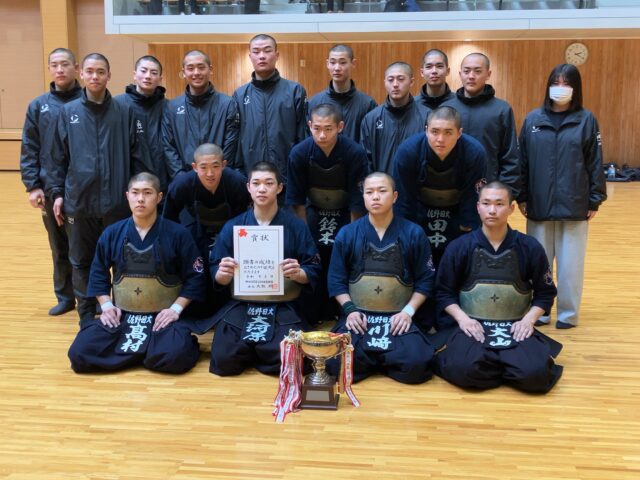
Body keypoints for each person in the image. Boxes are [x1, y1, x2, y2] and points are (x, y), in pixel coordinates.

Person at [68, 173, 206, 373]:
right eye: (135, 193)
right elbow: (98, 273)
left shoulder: (178, 234)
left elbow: (196, 277)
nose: (140, 199)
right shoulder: (112, 233)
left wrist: (175, 310)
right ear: (127, 196)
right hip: (123, 316)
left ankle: (130, 354)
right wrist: (106, 306)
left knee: (175, 356)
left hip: (162, 317)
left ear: (159, 197)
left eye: (147, 193)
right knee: (79, 353)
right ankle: (146, 353)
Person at [435, 182, 563, 393]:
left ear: (511, 208)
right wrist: (463, 320)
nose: (492, 210)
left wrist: (528, 321)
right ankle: (505, 367)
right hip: (473, 324)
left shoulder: (530, 246)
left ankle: (499, 366)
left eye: (499, 204)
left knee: (535, 375)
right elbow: (443, 293)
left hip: (514, 325)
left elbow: (546, 293)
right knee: (463, 370)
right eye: (486, 203)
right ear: (478, 207)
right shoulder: (459, 247)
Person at [48, 53, 146, 325]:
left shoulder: (125, 112)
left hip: (117, 204)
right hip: (79, 203)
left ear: (108, 75)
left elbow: (138, 157)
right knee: (82, 261)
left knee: (121, 261)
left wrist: (138, 195)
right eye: (90, 71)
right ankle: (87, 317)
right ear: (81, 73)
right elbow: (56, 158)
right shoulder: (67, 112)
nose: (95, 76)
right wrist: (57, 194)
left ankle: (121, 313)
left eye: (100, 71)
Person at [204, 162, 321, 376]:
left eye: (269, 183)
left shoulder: (295, 226)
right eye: (256, 183)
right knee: (223, 359)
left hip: (283, 303)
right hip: (243, 303)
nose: (262, 189)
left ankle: (257, 353)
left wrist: (299, 273)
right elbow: (215, 269)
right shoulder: (234, 226)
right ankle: (255, 352)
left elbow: (313, 267)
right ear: (248, 187)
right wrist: (221, 275)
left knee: (290, 359)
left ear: (279, 188)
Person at [518, 64, 606, 329]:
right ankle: (541, 312)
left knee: (571, 266)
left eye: (566, 83)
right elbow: (522, 162)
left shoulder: (586, 120)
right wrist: (521, 196)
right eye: (556, 82)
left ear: (575, 88)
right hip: (539, 203)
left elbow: (594, 161)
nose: (560, 88)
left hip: (574, 203)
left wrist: (595, 198)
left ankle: (568, 314)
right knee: (538, 264)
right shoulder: (533, 120)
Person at [327, 172, 435, 384]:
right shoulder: (347, 233)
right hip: (359, 316)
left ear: (394, 196)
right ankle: (384, 361)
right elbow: (335, 279)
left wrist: (408, 312)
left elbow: (426, 280)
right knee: (334, 363)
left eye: (382, 191)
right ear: (363, 197)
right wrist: (350, 311)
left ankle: (375, 361)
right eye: (369, 192)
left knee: (418, 363)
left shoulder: (414, 233)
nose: (375, 196)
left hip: (398, 317)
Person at [286, 103, 368, 321]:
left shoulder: (354, 152)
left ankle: (343, 311)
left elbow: (357, 199)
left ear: (340, 127)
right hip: (313, 211)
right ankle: (315, 312)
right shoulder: (299, 153)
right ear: (309, 126)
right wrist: (304, 235)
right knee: (313, 259)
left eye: (328, 129)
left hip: (345, 213)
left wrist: (352, 234)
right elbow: (296, 199)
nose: (322, 135)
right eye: (317, 128)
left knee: (342, 256)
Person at [20, 48, 81, 316]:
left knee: (85, 246)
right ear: (49, 69)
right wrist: (33, 185)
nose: (60, 69)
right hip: (48, 186)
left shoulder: (89, 100)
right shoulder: (38, 106)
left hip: (81, 188)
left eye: (65, 64)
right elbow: (29, 147)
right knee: (59, 246)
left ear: (76, 68)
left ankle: (91, 297)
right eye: (54, 65)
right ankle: (65, 297)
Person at [163, 143, 251, 314]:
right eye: (203, 167)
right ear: (195, 167)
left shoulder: (237, 182)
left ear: (224, 165)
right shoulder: (182, 183)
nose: (210, 174)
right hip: (196, 228)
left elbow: (248, 217)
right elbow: (169, 219)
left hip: (231, 230)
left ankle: (232, 309)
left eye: (215, 167)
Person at [393, 106, 486, 265]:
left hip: (457, 208)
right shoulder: (408, 151)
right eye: (435, 132)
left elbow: (472, 196)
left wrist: (467, 230)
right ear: (426, 130)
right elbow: (404, 198)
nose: (440, 139)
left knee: (459, 259)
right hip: (420, 208)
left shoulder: (474, 152)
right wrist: (407, 231)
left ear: (459, 133)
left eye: (448, 132)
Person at [442, 53, 519, 196]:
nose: (471, 76)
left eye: (477, 71)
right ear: (460, 74)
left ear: (488, 74)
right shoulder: (446, 109)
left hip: (489, 193)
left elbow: (510, 156)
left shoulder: (502, 110)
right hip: (450, 191)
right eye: (466, 71)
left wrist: (506, 193)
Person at [233, 34, 307, 183]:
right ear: (250, 56)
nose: (262, 56)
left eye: (267, 51)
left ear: (276, 55)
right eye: (256, 51)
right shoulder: (240, 95)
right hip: (252, 179)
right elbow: (236, 138)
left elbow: (303, 136)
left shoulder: (295, 91)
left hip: (287, 178)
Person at [162, 50, 239, 179]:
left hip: (219, 179)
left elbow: (231, 143)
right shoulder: (172, 107)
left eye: (201, 67)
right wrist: (181, 177)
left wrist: (216, 172)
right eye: (190, 68)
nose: (196, 72)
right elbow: (168, 146)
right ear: (184, 72)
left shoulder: (227, 104)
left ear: (210, 70)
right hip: (184, 180)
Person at [115, 55, 170, 193]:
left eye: (154, 72)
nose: (148, 76)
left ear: (160, 78)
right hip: (129, 183)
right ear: (134, 75)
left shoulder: (169, 107)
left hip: (163, 181)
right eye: (143, 71)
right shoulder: (117, 105)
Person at [360, 61, 426, 174]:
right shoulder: (371, 119)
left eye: (400, 79)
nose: (395, 84)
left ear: (411, 82)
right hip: (381, 184)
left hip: (413, 184)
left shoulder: (426, 116)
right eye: (390, 80)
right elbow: (365, 160)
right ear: (385, 82)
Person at [307, 44, 377, 143]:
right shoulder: (314, 103)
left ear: (353, 63)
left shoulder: (368, 104)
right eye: (332, 62)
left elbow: (371, 141)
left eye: (343, 62)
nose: (337, 68)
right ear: (327, 64)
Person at [415, 49, 455, 117]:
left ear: (447, 71)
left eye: (439, 66)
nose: (434, 71)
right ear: (422, 72)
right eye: (429, 67)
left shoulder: (459, 103)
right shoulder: (412, 105)